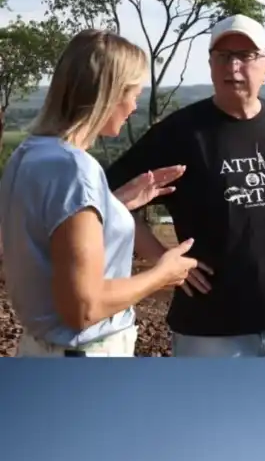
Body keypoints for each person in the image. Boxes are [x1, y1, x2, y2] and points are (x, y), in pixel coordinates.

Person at [105, 13, 265, 357]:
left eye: (246, 56)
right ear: (211, 65)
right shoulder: (180, 133)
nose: (234, 67)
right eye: (223, 57)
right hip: (210, 329)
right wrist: (161, 259)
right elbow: (111, 199)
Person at [0, 29, 199, 357]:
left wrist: (114, 203)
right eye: (133, 93)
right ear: (109, 95)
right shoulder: (75, 169)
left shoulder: (29, 154)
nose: (134, 105)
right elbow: (84, 308)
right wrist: (162, 273)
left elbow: (51, 233)